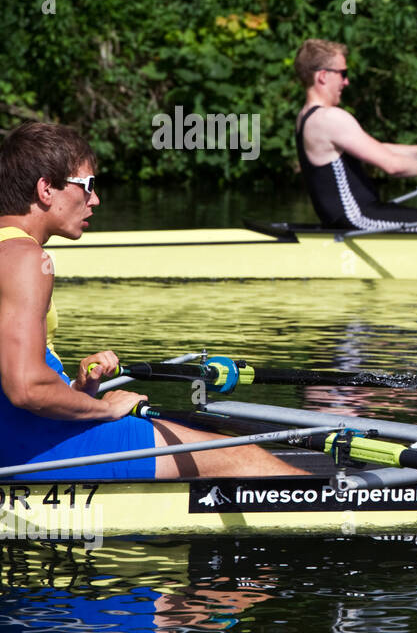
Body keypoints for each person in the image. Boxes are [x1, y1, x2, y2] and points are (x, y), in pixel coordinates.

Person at [0, 122, 307, 479]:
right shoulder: (26, 259)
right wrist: (102, 408)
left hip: (21, 434)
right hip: (40, 444)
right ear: (46, 188)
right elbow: (26, 387)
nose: (95, 200)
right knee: (242, 456)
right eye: (88, 186)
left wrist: (77, 389)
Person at [294, 39, 417, 232]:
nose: (347, 81)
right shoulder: (330, 118)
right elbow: (392, 165)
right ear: (323, 76)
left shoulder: (306, 118)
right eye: (343, 73)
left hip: (355, 217)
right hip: (360, 219)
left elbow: (378, 149)